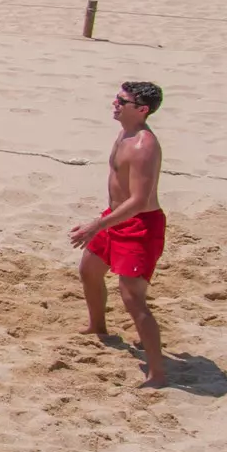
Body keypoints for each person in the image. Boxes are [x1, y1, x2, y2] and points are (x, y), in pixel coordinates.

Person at [71, 81, 170, 387]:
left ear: (141, 109)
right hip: (115, 219)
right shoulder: (124, 132)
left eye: (122, 101)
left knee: (132, 298)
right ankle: (98, 327)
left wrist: (95, 226)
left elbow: (139, 201)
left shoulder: (144, 146)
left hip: (140, 226)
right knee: (89, 270)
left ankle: (157, 374)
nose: (115, 103)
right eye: (116, 98)